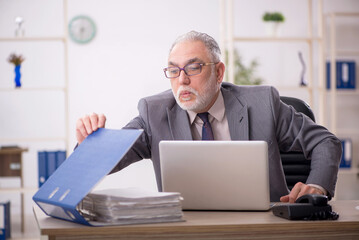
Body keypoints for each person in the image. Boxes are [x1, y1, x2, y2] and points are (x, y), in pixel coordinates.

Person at [75, 31, 342, 203]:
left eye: (194, 67)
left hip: (265, 227)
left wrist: (317, 186)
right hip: (190, 229)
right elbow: (107, 161)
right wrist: (89, 145)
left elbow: (326, 142)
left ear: (219, 72)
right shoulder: (153, 113)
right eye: (173, 70)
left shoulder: (263, 104)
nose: (182, 80)